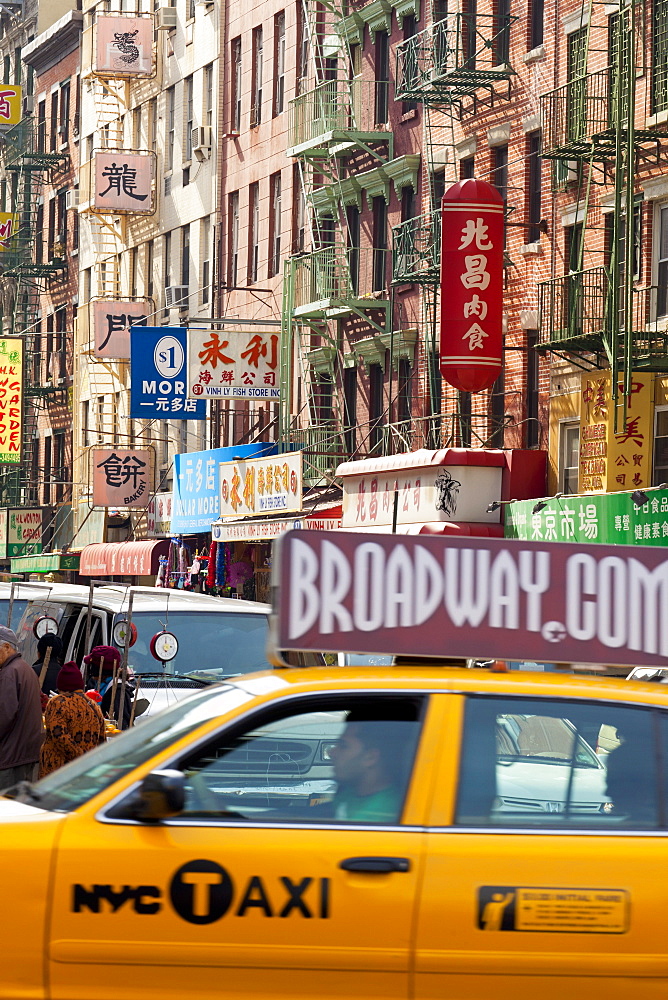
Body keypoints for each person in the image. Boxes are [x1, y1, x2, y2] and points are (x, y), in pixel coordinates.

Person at [327, 709, 417, 823]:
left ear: (370, 757)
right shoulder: (350, 793)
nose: (332, 753)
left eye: (343, 746)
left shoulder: (383, 813)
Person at [39, 662, 106, 778]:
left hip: (58, 770)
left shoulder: (57, 703)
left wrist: (79, 757)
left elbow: (59, 735)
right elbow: (102, 739)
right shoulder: (93, 704)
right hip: (85, 772)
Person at [0, 625, 43, 792]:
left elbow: (4, 715)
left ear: (6, 647)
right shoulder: (24, 668)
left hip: (10, 754)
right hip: (24, 752)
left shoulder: (9, 673)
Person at [83, 645, 136, 730]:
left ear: (100, 668)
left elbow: (123, 724)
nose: (90, 669)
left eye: (92, 665)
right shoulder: (101, 686)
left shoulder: (117, 691)